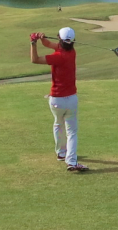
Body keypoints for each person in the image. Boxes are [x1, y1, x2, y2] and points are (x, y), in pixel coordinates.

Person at [30, 27, 88, 172]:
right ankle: (71, 161)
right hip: (71, 100)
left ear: (60, 39)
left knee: (58, 124)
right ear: (72, 41)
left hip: (56, 100)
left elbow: (34, 60)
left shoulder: (57, 56)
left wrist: (33, 42)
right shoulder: (72, 52)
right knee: (72, 131)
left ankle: (61, 153)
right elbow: (50, 45)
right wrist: (42, 39)